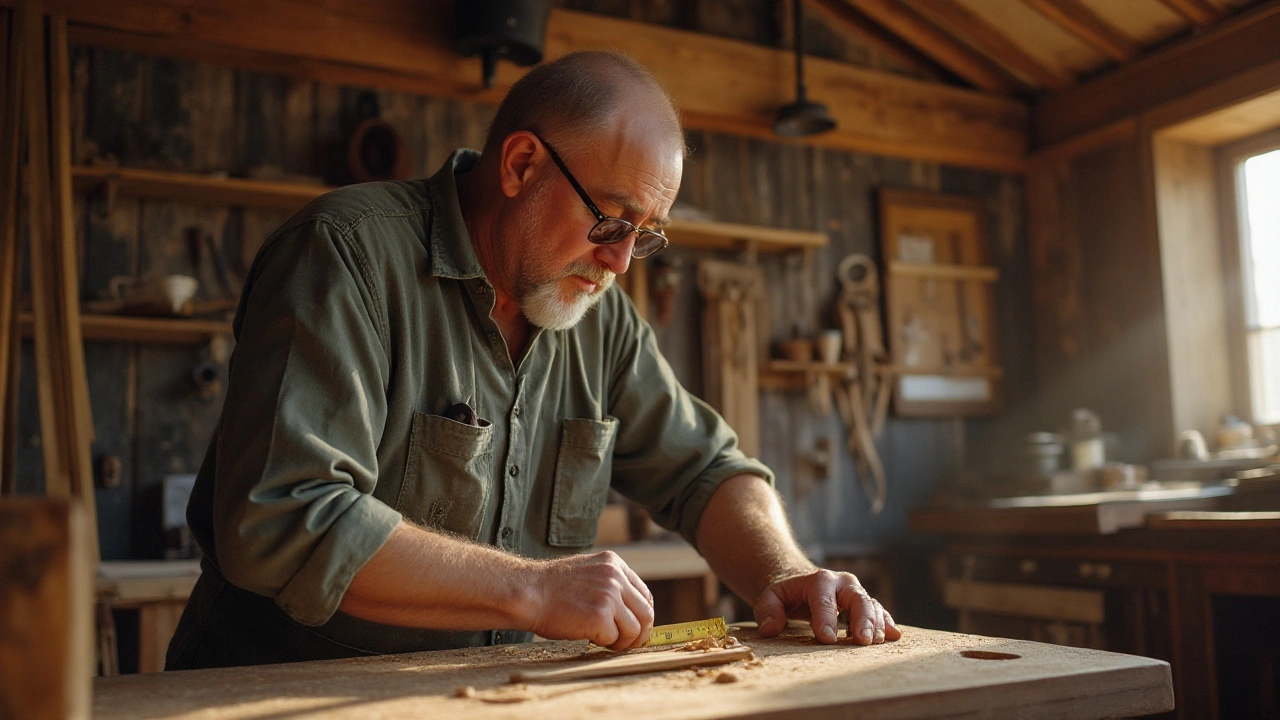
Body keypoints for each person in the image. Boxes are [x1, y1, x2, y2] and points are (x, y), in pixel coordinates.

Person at [166, 50, 900, 670]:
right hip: (282, 692)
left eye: (644, 236)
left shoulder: (600, 316)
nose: (618, 262)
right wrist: (535, 591)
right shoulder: (345, 255)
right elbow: (285, 520)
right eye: (609, 219)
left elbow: (706, 471)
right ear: (521, 164)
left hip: (495, 697)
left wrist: (787, 572)